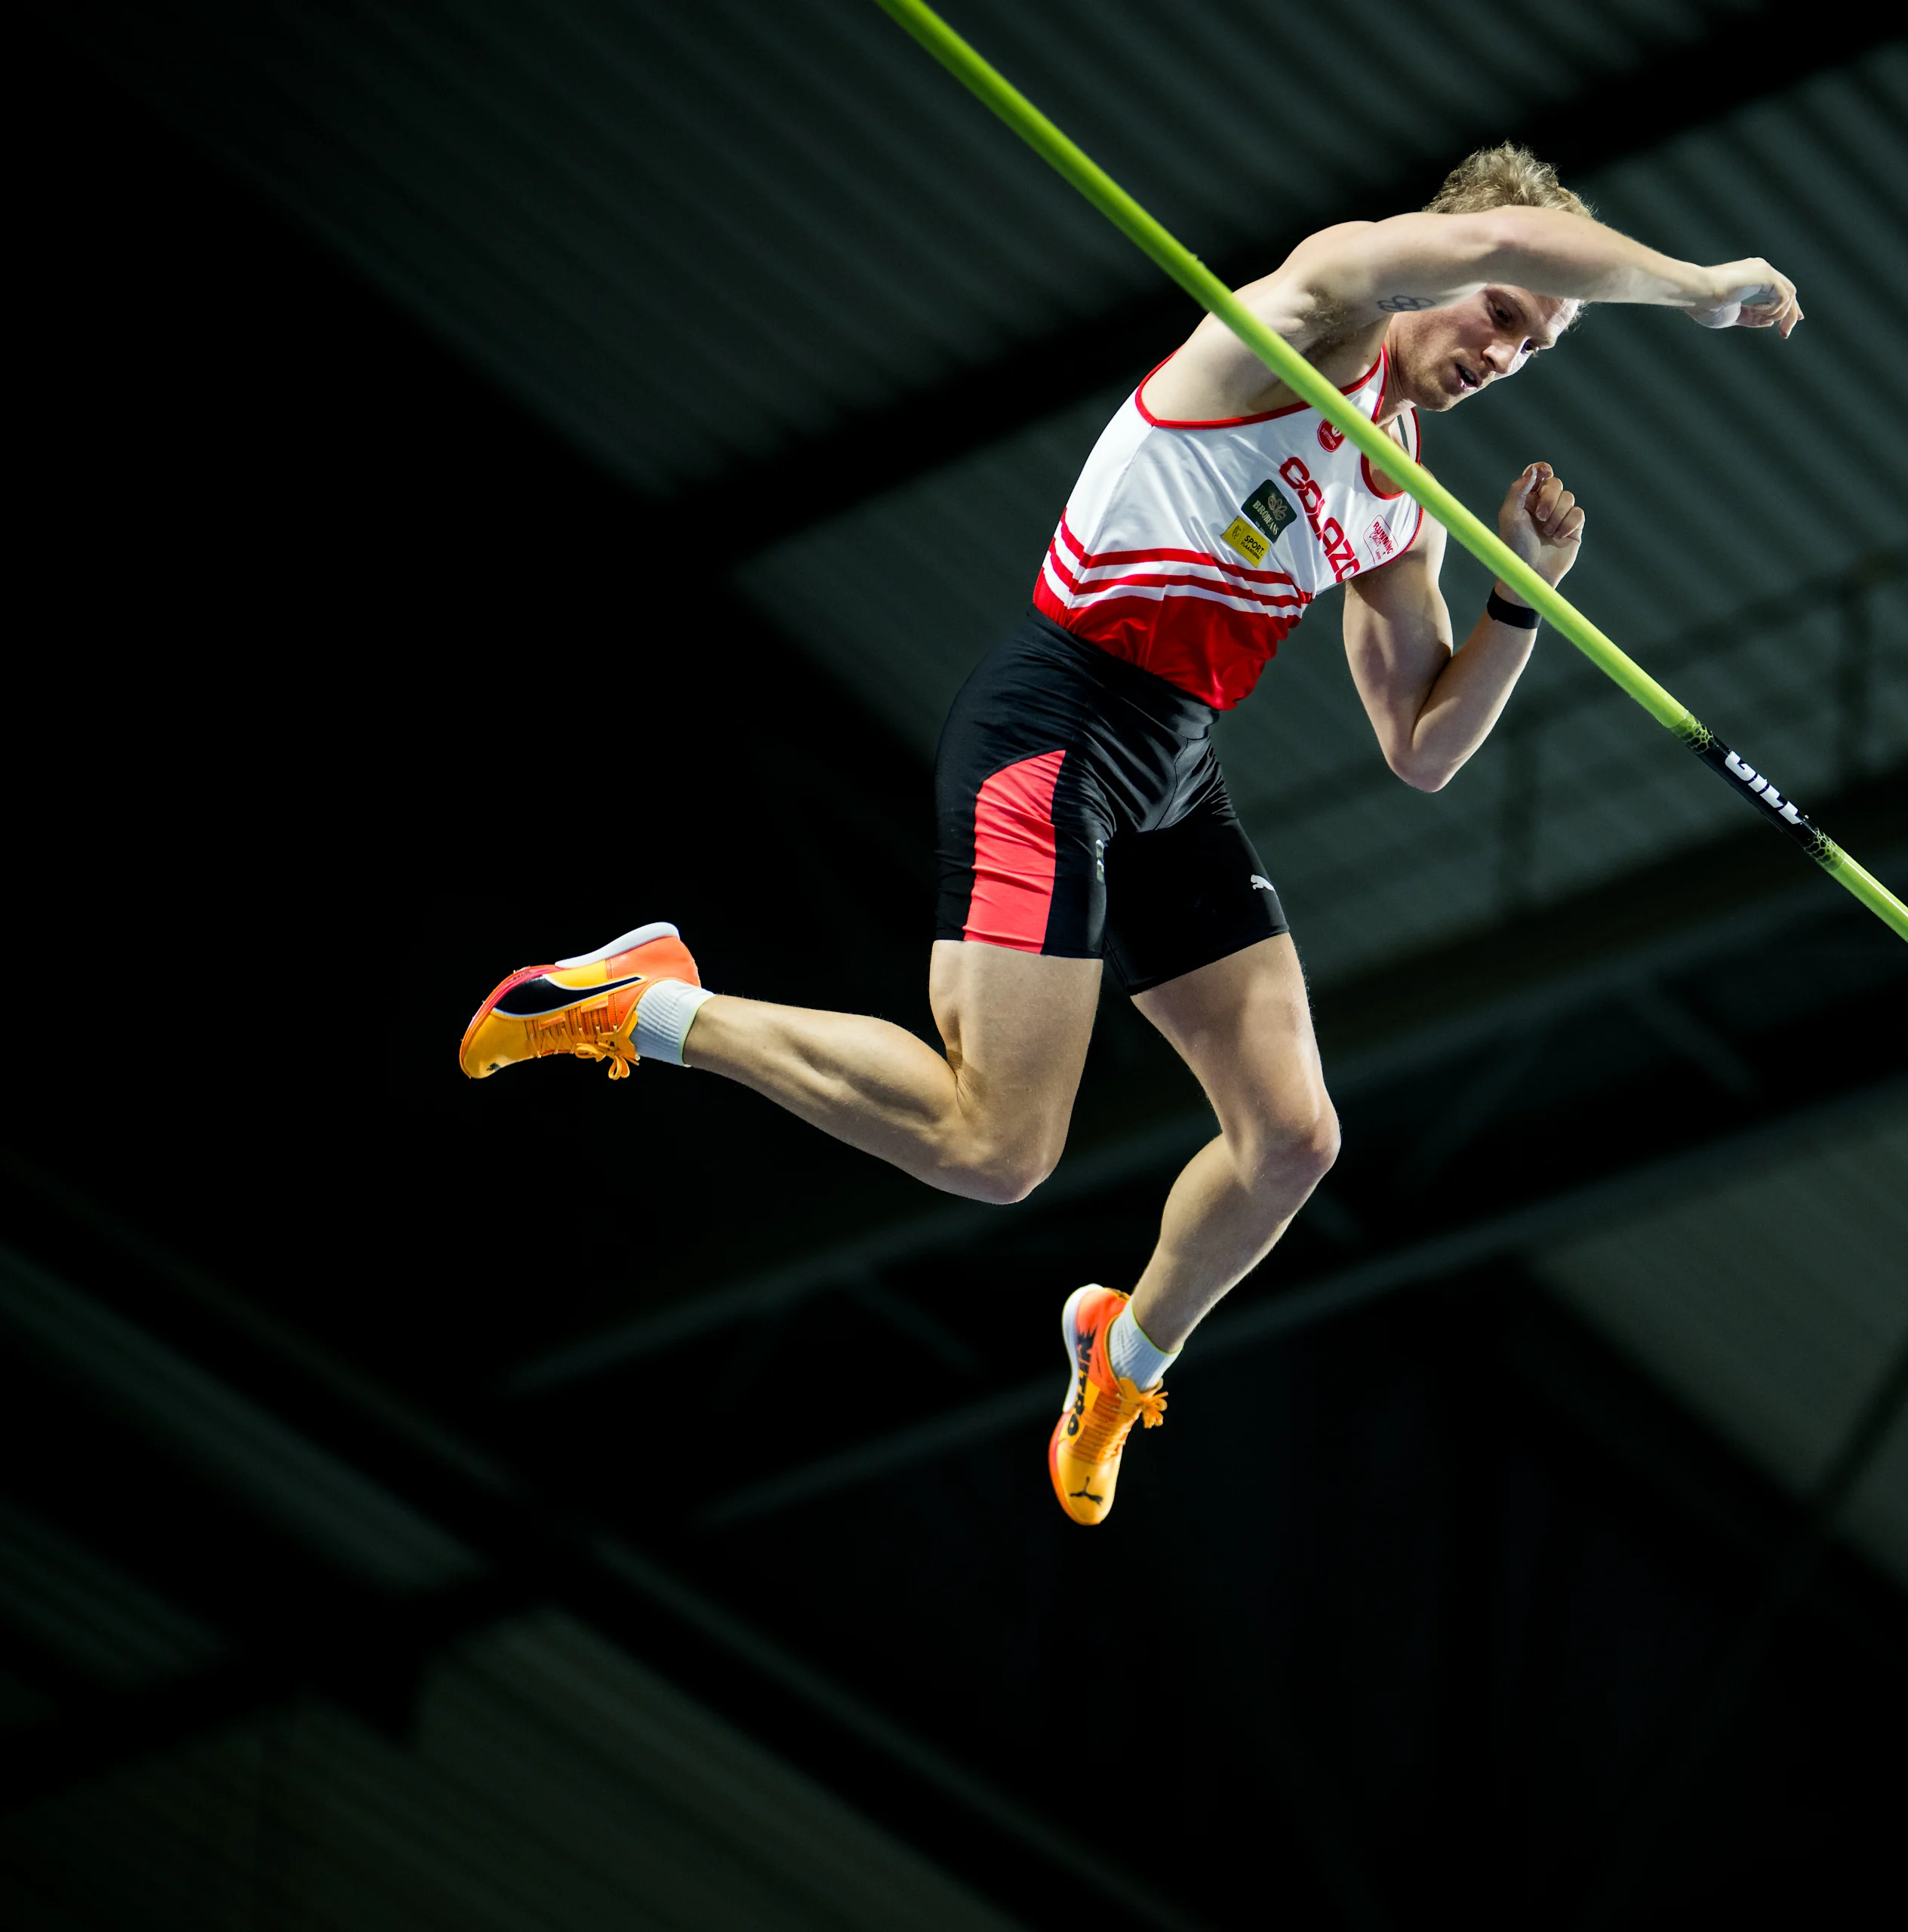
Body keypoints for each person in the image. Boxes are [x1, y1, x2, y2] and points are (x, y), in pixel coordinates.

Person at [455, 145, 1802, 1524]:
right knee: (998, 1149)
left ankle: (1125, 1349)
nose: (1511, 354)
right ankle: (652, 1004)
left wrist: (1527, 598)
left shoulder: (1407, 503)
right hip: (1056, 721)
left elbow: (1423, 750)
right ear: (1451, 257)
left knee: (1293, 1140)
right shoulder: (1318, 307)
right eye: (1506, 314)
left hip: (1172, 767)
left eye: (1542, 344)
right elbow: (1490, 248)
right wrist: (1697, 286)